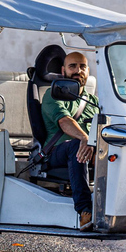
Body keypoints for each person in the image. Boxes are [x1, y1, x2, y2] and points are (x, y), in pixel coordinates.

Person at [40, 51, 99, 230]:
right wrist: (85, 138)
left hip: (89, 149)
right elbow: (65, 122)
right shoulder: (53, 95)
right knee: (76, 146)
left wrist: (95, 145)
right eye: (72, 66)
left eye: (82, 67)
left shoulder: (94, 101)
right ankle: (84, 210)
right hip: (55, 152)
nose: (78, 70)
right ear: (63, 70)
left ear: (88, 71)